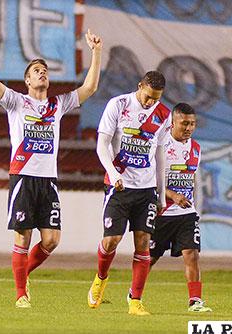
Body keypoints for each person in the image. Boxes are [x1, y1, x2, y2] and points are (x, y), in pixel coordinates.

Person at [0, 24, 102, 308]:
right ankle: (21, 294)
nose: (42, 72)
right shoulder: (16, 102)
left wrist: (96, 52)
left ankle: (24, 275)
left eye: (44, 70)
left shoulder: (57, 105)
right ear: (26, 80)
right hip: (23, 176)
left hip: (48, 180)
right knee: (22, 238)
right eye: (36, 70)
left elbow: (90, 87)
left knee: (51, 240)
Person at [87, 71, 171, 316]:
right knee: (111, 240)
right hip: (119, 186)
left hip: (146, 190)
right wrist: (113, 174)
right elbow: (102, 144)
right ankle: (101, 278)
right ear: (139, 87)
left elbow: (160, 155)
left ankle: (135, 301)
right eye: (147, 97)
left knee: (143, 243)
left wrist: (161, 194)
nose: (150, 103)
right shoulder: (119, 105)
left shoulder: (163, 115)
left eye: (155, 99)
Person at [146, 102, 212, 312]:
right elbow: (151, 178)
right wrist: (172, 195)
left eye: (192, 124)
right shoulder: (160, 146)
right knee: (150, 258)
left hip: (186, 214)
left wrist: (190, 203)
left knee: (191, 254)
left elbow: (190, 179)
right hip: (163, 212)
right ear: (173, 122)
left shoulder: (196, 148)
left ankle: (195, 301)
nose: (189, 128)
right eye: (184, 123)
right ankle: (134, 293)